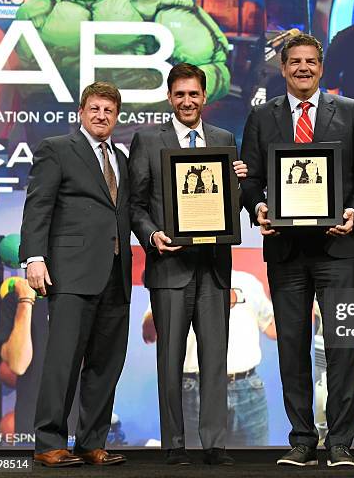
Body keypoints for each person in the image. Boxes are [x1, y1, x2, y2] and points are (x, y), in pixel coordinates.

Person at [240, 33, 354, 467]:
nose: (303, 68)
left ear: (321, 68)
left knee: (340, 346)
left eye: (310, 62)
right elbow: (250, 179)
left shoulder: (353, 112)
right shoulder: (262, 117)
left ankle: (340, 442)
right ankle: (302, 439)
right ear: (283, 68)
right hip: (285, 252)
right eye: (294, 62)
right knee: (293, 348)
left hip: (336, 250)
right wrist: (260, 207)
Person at [128, 63, 246, 466]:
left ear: (204, 97)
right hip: (169, 267)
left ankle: (215, 444)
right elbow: (136, 204)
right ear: (169, 97)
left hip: (213, 269)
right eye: (179, 94)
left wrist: (241, 182)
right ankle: (173, 444)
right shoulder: (147, 140)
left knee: (215, 360)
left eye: (193, 94)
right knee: (170, 362)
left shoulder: (224, 139)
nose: (187, 101)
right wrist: (151, 235)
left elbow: (234, 203)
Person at [19, 82, 131, 467]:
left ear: (117, 117)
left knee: (106, 364)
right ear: (81, 112)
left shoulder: (121, 157)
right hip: (71, 273)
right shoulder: (57, 149)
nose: (101, 116)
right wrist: (34, 257)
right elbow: (38, 207)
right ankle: (49, 442)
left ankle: (90, 442)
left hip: (117, 274)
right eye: (95, 108)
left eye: (109, 111)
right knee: (63, 362)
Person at [142, 269, 277, 446]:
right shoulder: (175, 280)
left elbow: (272, 329)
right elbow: (149, 335)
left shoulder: (248, 281)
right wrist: (162, 296)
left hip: (248, 388)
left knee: (254, 462)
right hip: (195, 387)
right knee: (197, 462)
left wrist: (300, 309)